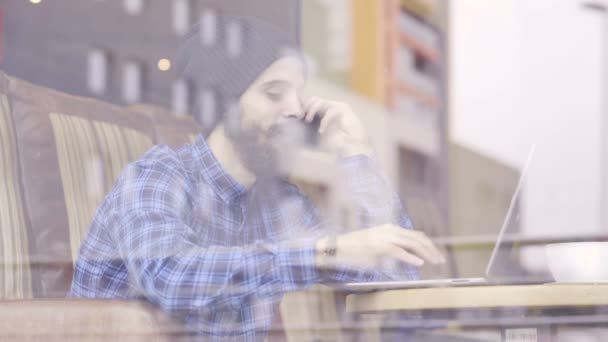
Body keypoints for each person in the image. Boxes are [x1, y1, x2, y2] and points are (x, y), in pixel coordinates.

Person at [69, 16, 445, 339]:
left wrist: (357, 153)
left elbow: (399, 274)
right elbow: (171, 274)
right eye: (274, 93)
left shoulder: (279, 204)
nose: (296, 110)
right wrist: (325, 251)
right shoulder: (157, 176)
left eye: (298, 95)